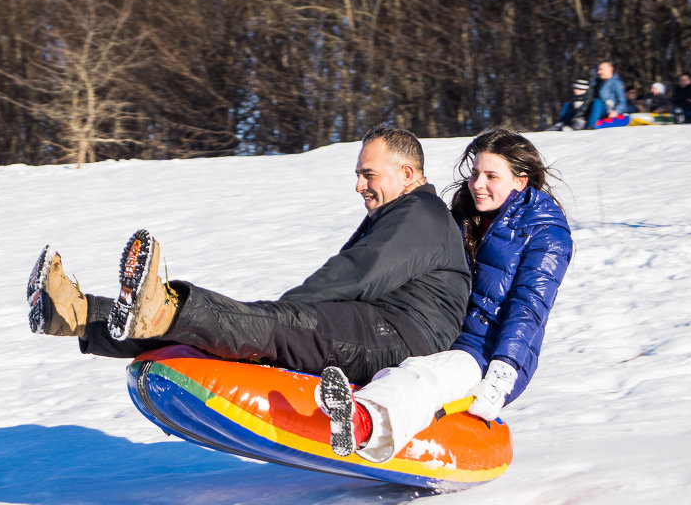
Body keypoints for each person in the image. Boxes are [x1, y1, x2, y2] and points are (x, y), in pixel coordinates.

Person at [26, 126, 471, 384]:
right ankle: (79, 314)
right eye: (357, 174)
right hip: (379, 327)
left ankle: (158, 309)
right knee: (243, 326)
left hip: (403, 339)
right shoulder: (404, 213)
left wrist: (283, 311)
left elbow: (357, 273)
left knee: (267, 324)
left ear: (407, 172)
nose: (358, 185)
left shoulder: (423, 214)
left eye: (368, 173)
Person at [317, 129, 573, 461]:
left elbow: (528, 308)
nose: (477, 184)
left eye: (491, 176)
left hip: (487, 350)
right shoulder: (463, 217)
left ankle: (361, 423)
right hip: (441, 330)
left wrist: (503, 370)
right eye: (475, 174)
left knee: (428, 375)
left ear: (520, 182)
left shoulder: (547, 235)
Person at [587, 61, 633, 128]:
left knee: (597, 102)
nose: (598, 72)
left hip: (612, 112)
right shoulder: (599, 83)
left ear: (610, 69)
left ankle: (591, 126)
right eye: (598, 70)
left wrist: (616, 112)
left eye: (601, 70)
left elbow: (622, 102)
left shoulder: (616, 83)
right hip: (603, 111)